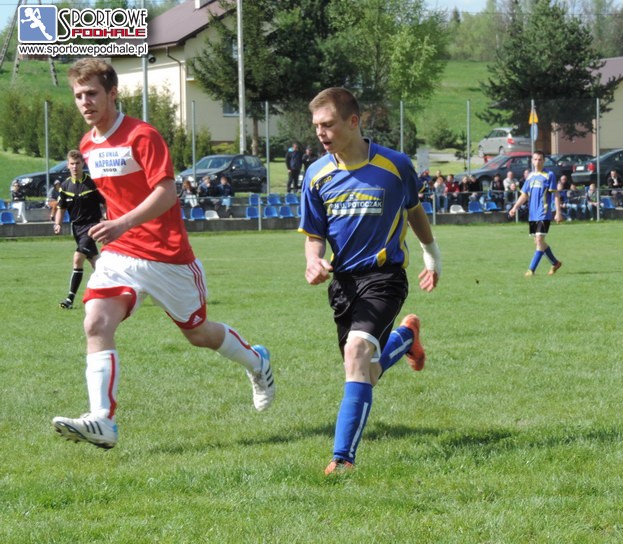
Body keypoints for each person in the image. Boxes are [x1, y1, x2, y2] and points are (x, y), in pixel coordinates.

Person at [52, 58, 275, 450]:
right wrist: (114, 227)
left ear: (112, 94)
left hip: (167, 255)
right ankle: (102, 420)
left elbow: (167, 192)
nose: (85, 102)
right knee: (95, 322)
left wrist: (122, 222)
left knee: (198, 334)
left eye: (92, 94)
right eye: (78, 95)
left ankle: (257, 363)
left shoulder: (143, 136)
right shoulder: (88, 144)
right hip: (121, 254)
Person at [298, 87, 441, 475]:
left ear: (353, 121)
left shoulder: (395, 166)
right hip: (343, 285)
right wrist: (313, 262)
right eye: (316, 126)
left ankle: (342, 459)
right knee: (365, 370)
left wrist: (432, 256)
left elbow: (414, 211)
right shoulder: (316, 175)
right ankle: (406, 338)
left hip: (385, 277)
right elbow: (314, 234)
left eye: (328, 124)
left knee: (357, 353)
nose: (320, 133)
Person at [54, 150, 106, 310]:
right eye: (72, 163)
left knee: (78, 258)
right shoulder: (65, 186)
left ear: (83, 164)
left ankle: (69, 299)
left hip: (92, 226)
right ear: (68, 165)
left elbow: (105, 203)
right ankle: (117, 288)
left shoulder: (92, 184)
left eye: (77, 163)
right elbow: (61, 208)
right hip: (77, 228)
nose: (75, 167)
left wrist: (107, 217)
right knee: (96, 262)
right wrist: (58, 223)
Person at [508, 151, 563, 276]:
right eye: (535, 159)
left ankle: (531, 270)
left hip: (544, 212)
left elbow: (555, 194)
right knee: (538, 242)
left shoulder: (549, 175)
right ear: (532, 161)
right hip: (532, 214)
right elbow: (524, 195)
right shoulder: (530, 176)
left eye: (540, 159)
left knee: (539, 239)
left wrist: (558, 212)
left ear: (544, 161)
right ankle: (555, 263)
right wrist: (515, 207)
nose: (537, 162)